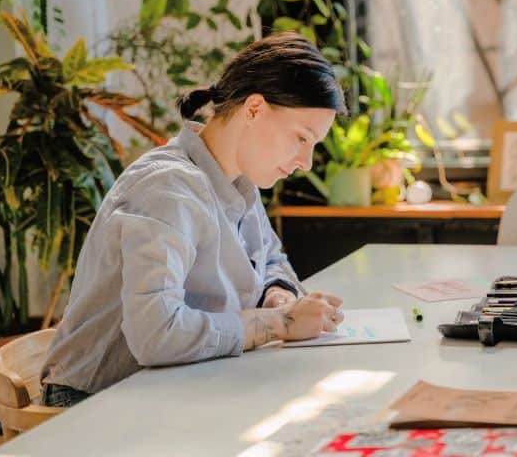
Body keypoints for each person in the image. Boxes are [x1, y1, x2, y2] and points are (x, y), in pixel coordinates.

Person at [40, 32, 348, 407]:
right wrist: (280, 325)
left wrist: (276, 295)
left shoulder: (239, 182)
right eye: (301, 137)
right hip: (95, 402)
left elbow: (270, 259)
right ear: (254, 109)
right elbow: (157, 333)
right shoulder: (167, 189)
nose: (306, 162)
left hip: (174, 387)